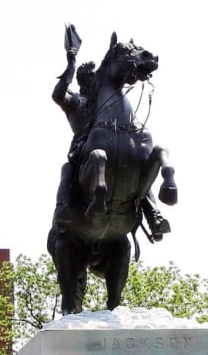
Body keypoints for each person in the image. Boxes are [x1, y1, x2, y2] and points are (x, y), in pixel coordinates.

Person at [50, 24, 170, 240]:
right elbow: (58, 95)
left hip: (117, 137)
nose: (89, 81)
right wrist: (71, 64)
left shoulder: (110, 102)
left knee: (135, 164)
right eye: (85, 77)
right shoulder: (76, 102)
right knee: (67, 168)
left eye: (91, 77)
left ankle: (151, 211)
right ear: (80, 81)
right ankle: (63, 207)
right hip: (84, 147)